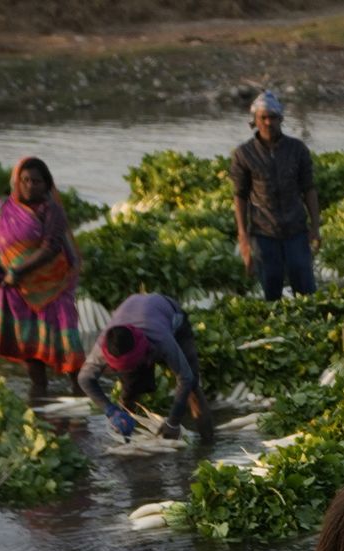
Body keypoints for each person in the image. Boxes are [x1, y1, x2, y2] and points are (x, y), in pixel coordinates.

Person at [0, 157, 82, 397]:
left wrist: (17, 271)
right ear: (16, 182)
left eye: (36, 181)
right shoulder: (1, 207)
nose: (30, 186)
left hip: (53, 287)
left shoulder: (52, 210)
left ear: (47, 184)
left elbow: (50, 248)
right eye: (24, 180)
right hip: (17, 290)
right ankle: (40, 395)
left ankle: (82, 393)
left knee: (69, 347)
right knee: (29, 347)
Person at [77, 293, 215, 443]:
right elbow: (84, 379)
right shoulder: (103, 349)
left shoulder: (161, 339)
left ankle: (207, 445)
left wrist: (173, 422)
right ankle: (126, 442)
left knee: (193, 388)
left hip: (170, 316)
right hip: (135, 310)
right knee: (130, 392)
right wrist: (111, 411)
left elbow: (185, 378)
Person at [230, 91, 319, 302]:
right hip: (263, 231)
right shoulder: (244, 154)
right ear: (254, 121)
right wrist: (243, 236)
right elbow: (240, 196)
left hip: (295, 228)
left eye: (273, 117)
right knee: (271, 286)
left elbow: (309, 189)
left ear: (281, 119)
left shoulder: (297, 149)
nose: (268, 122)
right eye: (263, 117)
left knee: (305, 285)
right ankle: (277, 326)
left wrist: (315, 226)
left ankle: (307, 326)